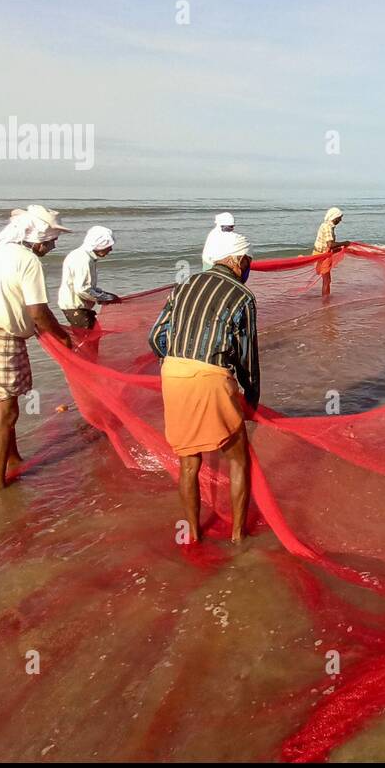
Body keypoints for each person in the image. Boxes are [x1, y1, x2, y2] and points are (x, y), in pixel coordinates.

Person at [148, 230, 259, 544]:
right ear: (238, 261)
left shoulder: (183, 285)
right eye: (248, 260)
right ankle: (238, 535)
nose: (249, 266)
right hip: (211, 379)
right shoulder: (242, 296)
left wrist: (178, 363)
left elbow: (156, 337)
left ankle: (193, 533)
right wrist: (251, 398)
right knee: (237, 457)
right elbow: (247, 356)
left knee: (189, 461)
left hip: (173, 375)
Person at [0, 208, 74, 492]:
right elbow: (38, 312)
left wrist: (11, 314)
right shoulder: (29, 261)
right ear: (37, 240)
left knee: (5, 410)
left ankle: (13, 460)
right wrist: (63, 338)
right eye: (51, 239)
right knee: (4, 416)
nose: (53, 245)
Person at [58, 226, 118, 329]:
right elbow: (83, 290)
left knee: (90, 336)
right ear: (100, 245)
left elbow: (86, 286)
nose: (110, 249)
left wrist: (103, 294)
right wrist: (104, 297)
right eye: (108, 245)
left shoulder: (81, 254)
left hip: (75, 307)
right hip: (76, 308)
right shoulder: (84, 259)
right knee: (89, 340)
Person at [312, 207, 350, 296]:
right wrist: (345, 243)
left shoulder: (325, 225)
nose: (340, 220)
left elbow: (327, 245)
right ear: (335, 217)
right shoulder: (328, 227)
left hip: (320, 254)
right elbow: (330, 245)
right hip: (322, 256)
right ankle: (325, 303)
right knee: (326, 280)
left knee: (326, 280)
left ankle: (326, 299)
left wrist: (341, 249)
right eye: (340, 218)